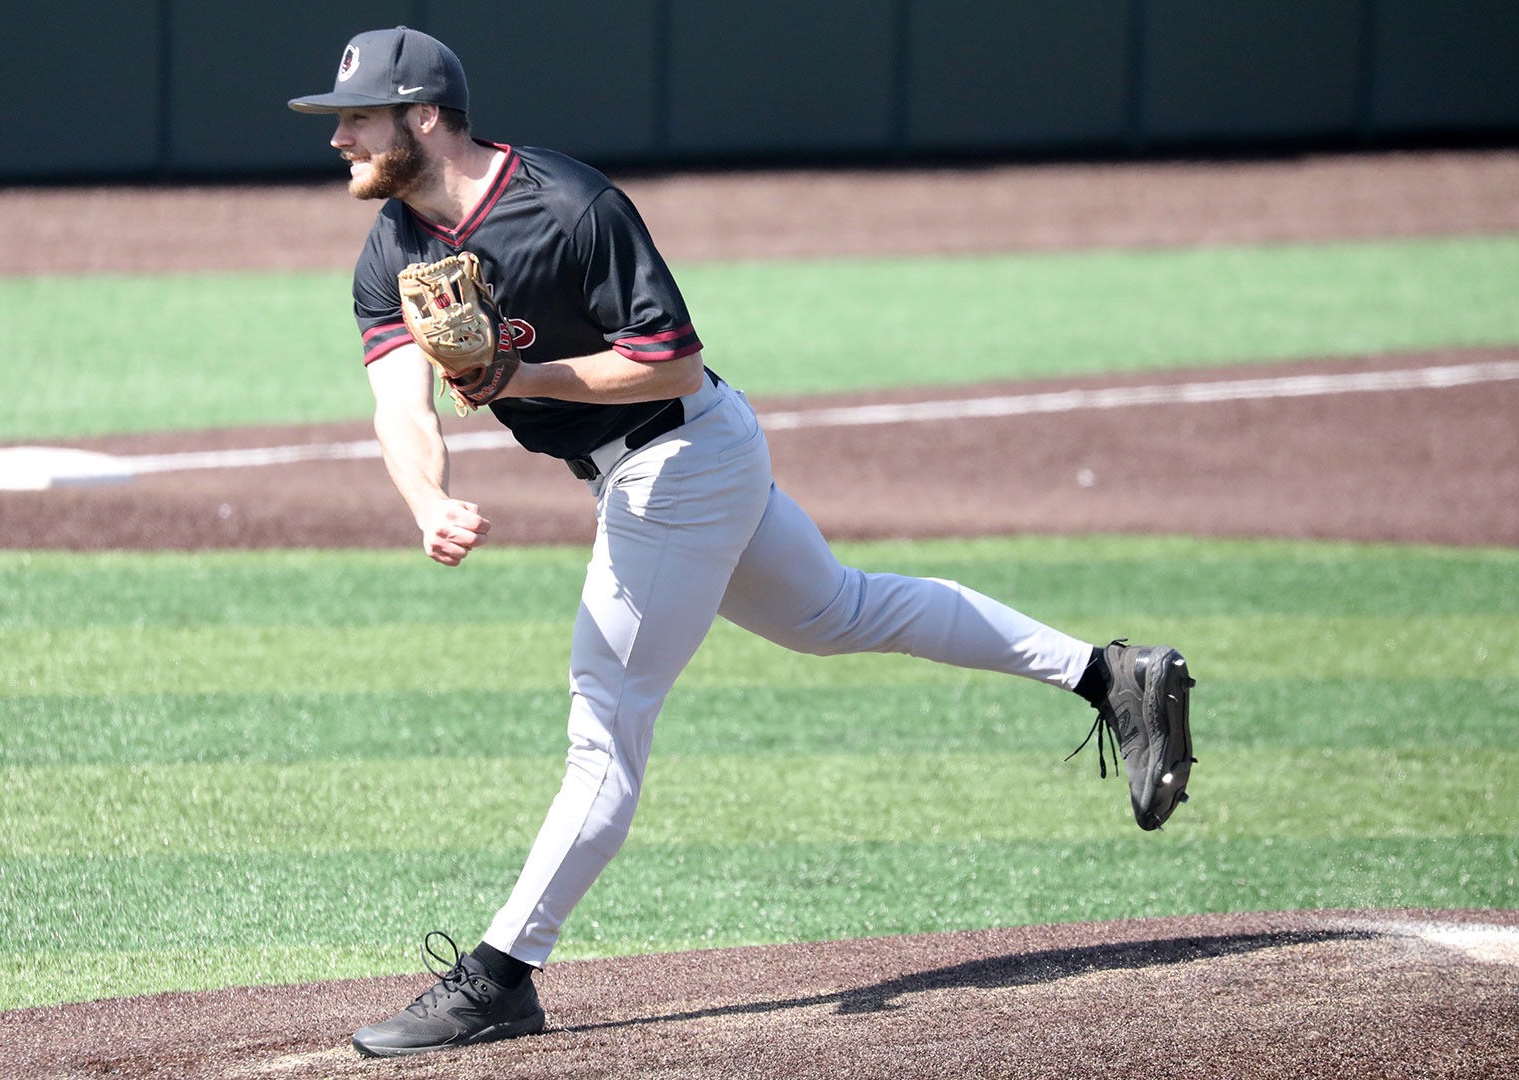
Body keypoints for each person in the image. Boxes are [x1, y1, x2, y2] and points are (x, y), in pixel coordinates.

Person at [288, 27, 1196, 1059]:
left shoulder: (572, 207)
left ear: (425, 116)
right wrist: (426, 499)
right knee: (837, 613)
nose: (340, 138)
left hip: (679, 460)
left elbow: (669, 363)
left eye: (356, 117)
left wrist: (521, 379)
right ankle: (1107, 675)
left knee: (607, 721)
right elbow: (397, 407)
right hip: (670, 465)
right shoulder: (393, 248)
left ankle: (500, 976)